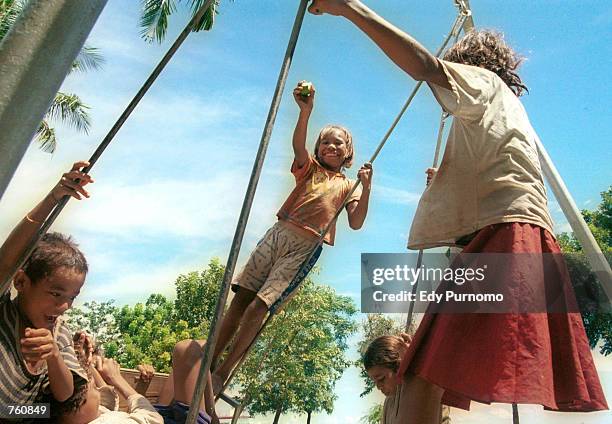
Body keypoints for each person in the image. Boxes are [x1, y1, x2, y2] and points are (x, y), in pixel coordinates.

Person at [308, 1, 608, 422]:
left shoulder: (481, 81)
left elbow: (425, 66)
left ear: (468, 64)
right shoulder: (505, 110)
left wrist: (351, 10)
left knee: (420, 369)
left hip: (505, 236)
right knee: (430, 369)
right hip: (527, 239)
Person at [211, 81, 374, 394]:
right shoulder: (309, 169)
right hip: (280, 233)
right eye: (326, 142)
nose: (332, 146)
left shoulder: (347, 185)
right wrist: (305, 112)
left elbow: (356, 222)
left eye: (339, 144)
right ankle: (210, 357)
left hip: (305, 246)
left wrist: (366, 187)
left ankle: (224, 370)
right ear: (318, 148)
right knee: (242, 296)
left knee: (260, 306)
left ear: (348, 152)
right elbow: (299, 146)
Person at [0, 161, 94, 416]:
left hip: (21, 415)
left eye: (71, 297)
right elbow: (7, 260)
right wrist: (54, 197)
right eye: (55, 293)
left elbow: (64, 394)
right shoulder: (4, 311)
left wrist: (52, 354)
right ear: (21, 282)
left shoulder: (58, 332)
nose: (63, 306)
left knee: (86, 405)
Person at [364, 334, 451, 424]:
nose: (378, 387)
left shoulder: (426, 388)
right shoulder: (389, 403)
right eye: (375, 382)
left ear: (399, 367)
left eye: (381, 379)